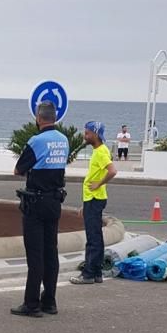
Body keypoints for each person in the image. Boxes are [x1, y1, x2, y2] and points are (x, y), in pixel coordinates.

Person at [11, 101, 69, 318]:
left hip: (35, 203)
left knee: (35, 254)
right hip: (55, 202)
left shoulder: (36, 141)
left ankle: (31, 303)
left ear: (38, 118)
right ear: (55, 117)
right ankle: (50, 301)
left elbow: (18, 169)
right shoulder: (64, 140)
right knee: (51, 251)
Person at [70, 122, 117, 285]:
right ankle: (96, 273)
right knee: (95, 236)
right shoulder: (98, 151)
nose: (85, 135)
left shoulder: (101, 152)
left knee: (93, 238)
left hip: (95, 198)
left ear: (96, 134)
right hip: (92, 199)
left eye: (88, 133)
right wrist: (86, 203)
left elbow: (112, 171)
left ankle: (89, 274)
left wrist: (99, 184)